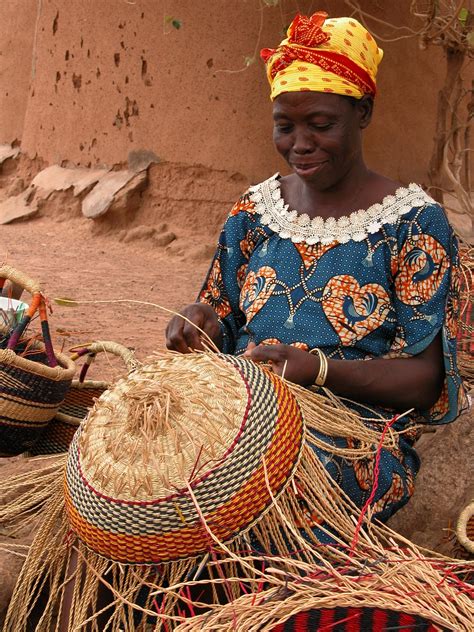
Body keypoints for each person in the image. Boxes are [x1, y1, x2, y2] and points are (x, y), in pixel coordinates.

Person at [166, 11, 468, 523]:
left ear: (364, 112)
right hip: (238, 413)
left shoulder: (413, 223)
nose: (299, 144)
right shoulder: (253, 212)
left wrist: (319, 371)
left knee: (269, 489)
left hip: (347, 435)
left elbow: (424, 380)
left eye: (321, 125)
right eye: (285, 126)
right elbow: (224, 323)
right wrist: (201, 323)